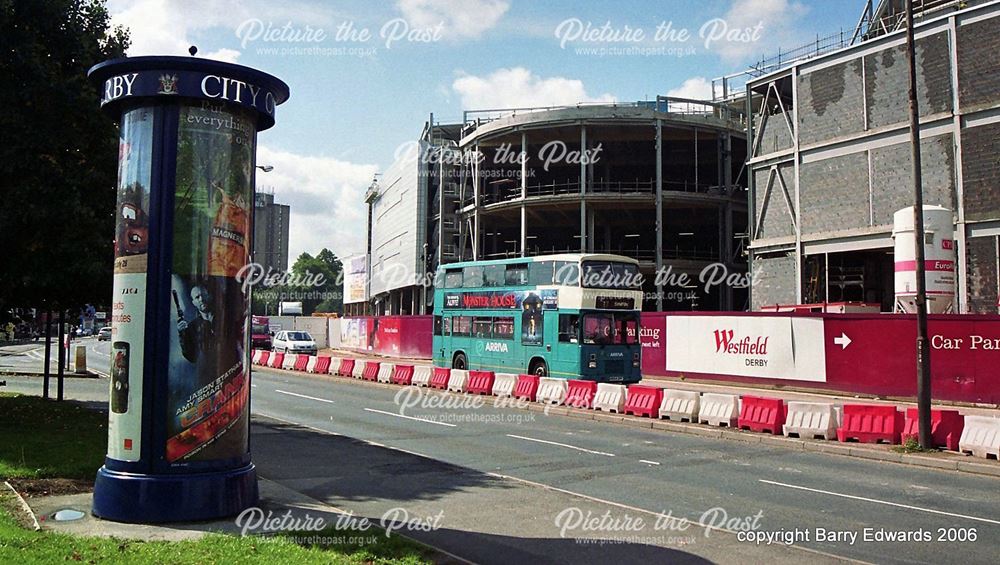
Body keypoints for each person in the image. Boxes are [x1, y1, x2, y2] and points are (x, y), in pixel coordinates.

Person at [177, 285, 217, 363]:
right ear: (194, 303)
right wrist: (182, 335)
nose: (201, 299)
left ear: (209, 296)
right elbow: (192, 357)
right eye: (197, 297)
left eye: (203, 295)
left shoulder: (224, 318)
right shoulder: (192, 327)